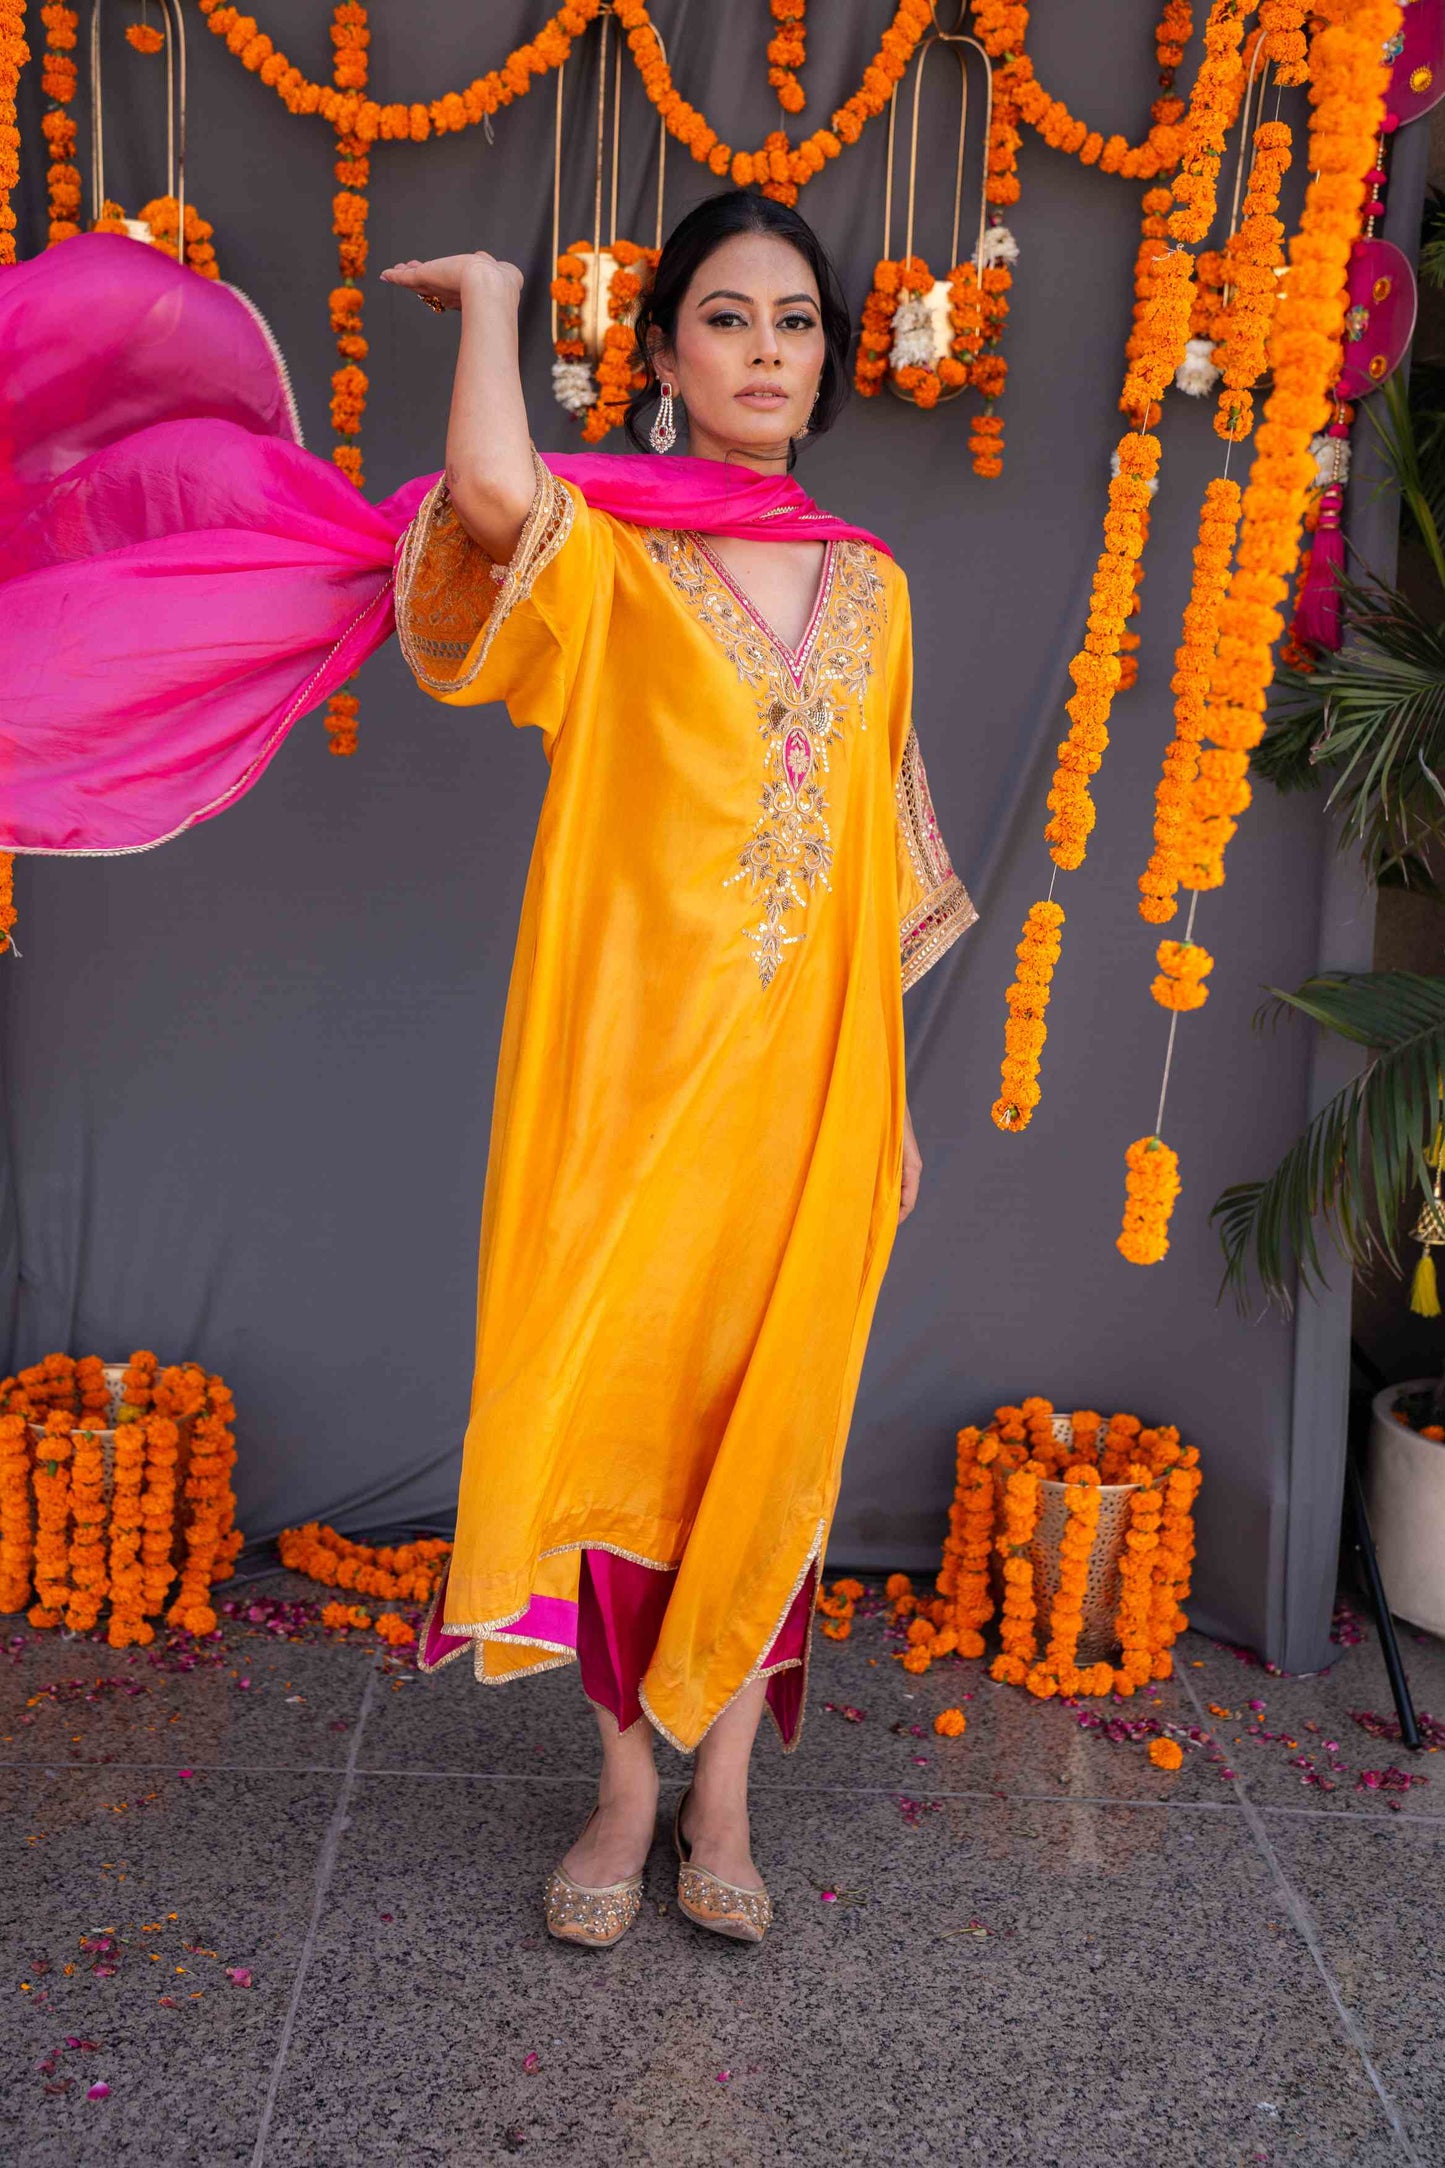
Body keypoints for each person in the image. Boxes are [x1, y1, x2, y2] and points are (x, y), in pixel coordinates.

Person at [378, 190, 977, 1948]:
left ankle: (722, 1797)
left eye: (796, 323)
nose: (766, 354)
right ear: (658, 354)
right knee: (614, 1419)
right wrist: (490, 300)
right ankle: (626, 1785)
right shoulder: (620, 556)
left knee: (767, 1419)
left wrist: (896, 1104)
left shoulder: (874, 587)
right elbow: (488, 499)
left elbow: (877, 862)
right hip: (628, 1079)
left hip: (808, 1088)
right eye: (726, 319)